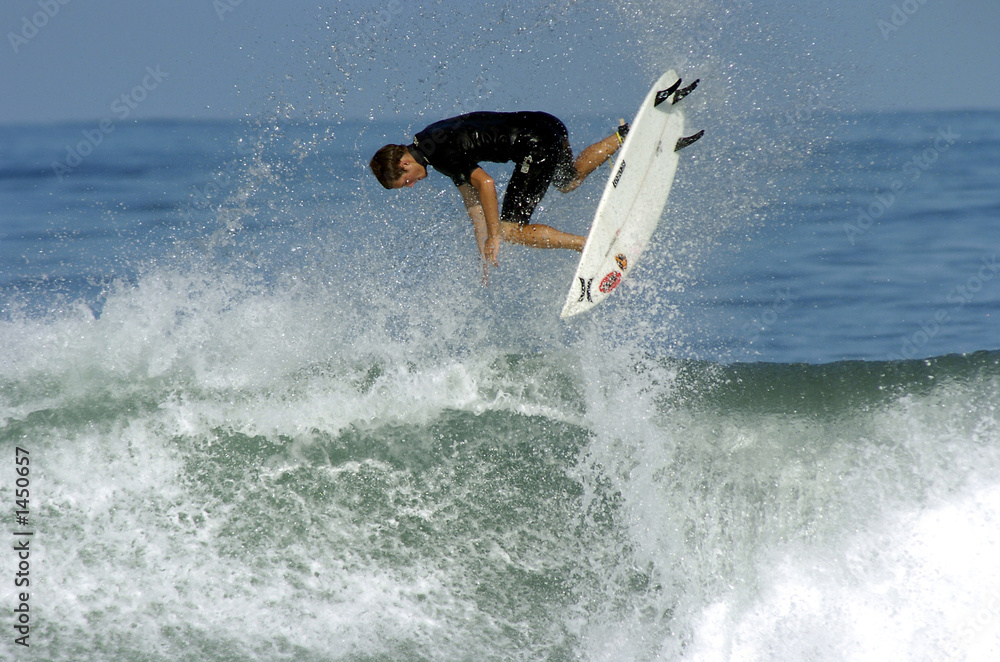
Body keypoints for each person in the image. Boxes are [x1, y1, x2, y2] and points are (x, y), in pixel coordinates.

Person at [369, 111, 627, 281]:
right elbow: (472, 201)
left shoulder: (439, 156)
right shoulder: (428, 140)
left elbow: (486, 183)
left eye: (405, 182)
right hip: (547, 124)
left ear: (403, 164)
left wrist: (494, 235)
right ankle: (622, 136)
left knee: (509, 230)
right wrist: (483, 247)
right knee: (567, 180)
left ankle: (592, 245)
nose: (411, 185)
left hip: (534, 144)